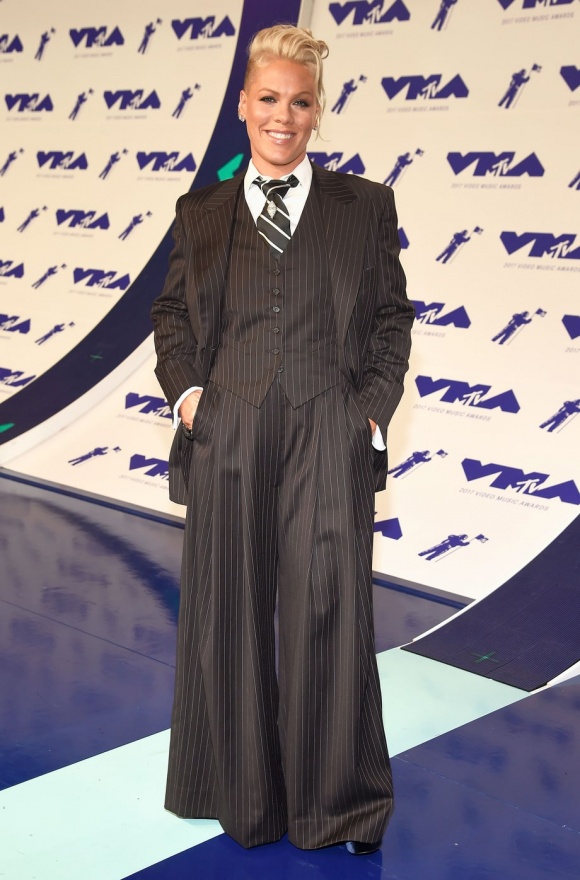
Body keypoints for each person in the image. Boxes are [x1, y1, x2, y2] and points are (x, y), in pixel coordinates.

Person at [151, 24, 414, 855]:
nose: (283, 117)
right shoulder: (200, 212)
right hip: (228, 428)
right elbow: (171, 316)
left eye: (300, 103)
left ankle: (341, 807)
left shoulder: (364, 205)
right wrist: (191, 398)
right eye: (269, 99)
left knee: (331, 614)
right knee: (226, 615)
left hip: (327, 428)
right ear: (243, 104)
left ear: (317, 110)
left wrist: (367, 411)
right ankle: (241, 797)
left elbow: (391, 318)